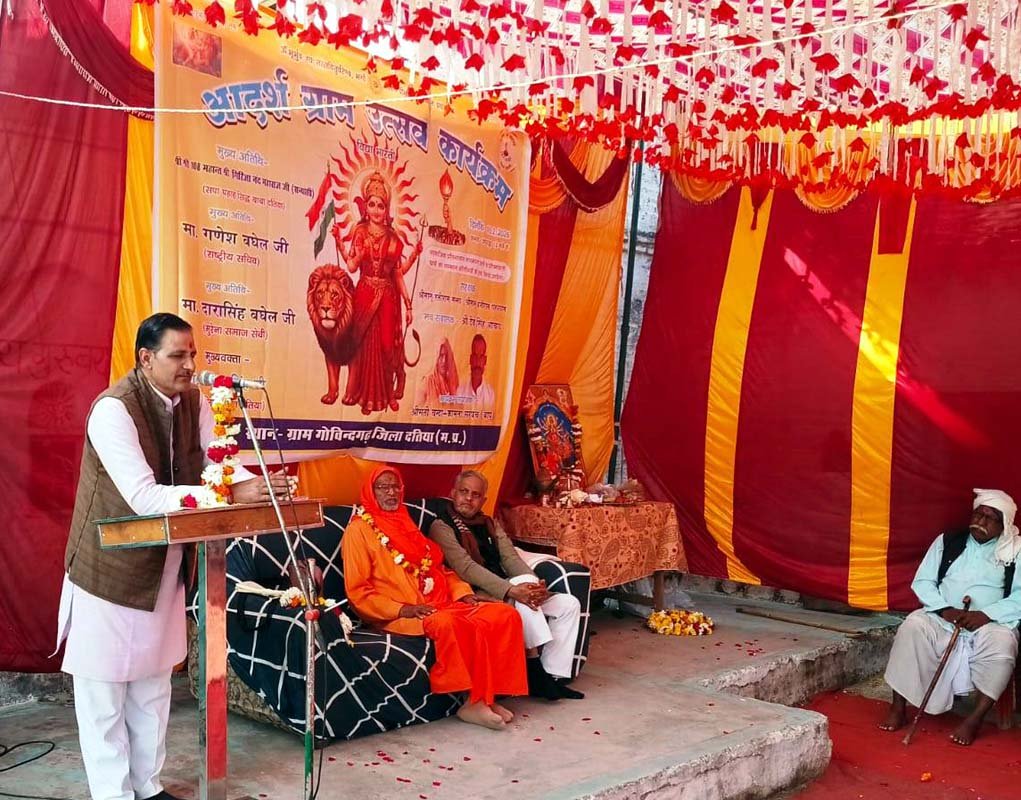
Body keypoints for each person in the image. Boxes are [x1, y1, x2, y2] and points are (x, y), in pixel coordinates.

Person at [55, 313, 291, 800]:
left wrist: (260, 485)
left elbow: (219, 462)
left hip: (164, 568)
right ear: (146, 358)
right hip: (108, 571)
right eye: (177, 355)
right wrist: (229, 493)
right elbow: (144, 497)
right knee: (104, 696)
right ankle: (114, 794)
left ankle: (148, 787)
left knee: (153, 688)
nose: (189, 365)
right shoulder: (113, 411)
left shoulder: (194, 402)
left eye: (193, 354)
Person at [341, 465, 528, 729]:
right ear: (370, 492)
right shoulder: (359, 530)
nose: (391, 493)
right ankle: (473, 702)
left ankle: (487, 696)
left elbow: (439, 569)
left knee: (504, 614)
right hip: (397, 614)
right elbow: (358, 592)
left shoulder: (405, 521)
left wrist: (463, 594)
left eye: (395, 487)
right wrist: (402, 609)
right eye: (383, 487)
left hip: (440, 602)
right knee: (450, 623)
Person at [879, 488, 1021, 745]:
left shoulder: (1016, 550)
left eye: (990, 518)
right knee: (912, 626)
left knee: (1004, 643)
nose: (980, 521)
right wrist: (945, 610)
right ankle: (898, 707)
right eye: (978, 514)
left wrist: (986, 615)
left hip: (989, 624)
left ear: (1004, 525)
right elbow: (923, 581)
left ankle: (974, 719)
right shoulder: (948, 541)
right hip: (943, 617)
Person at [428, 470, 584, 701]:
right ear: (453, 493)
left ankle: (552, 675)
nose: (468, 498)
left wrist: (535, 586)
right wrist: (512, 589)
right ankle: (534, 669)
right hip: (477, 592)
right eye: (463, 492)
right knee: (522, 587)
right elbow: (465, 567)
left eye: (475, 495)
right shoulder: (441, 526)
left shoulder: (489, 523)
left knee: (569, 604)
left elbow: (510, 558)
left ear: (483, 500)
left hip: (510, 587)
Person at [331, 170, 421, 415]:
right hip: (364, 294)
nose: (376, 210)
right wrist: (340, 243)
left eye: (381, 205)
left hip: (388, 299)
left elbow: (398, 273)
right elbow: (351, 267)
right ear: (366, 206)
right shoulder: (360, 232)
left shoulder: (394, 238)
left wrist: (408, 304)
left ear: (387, 208)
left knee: (387, 347)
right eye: (371, 204)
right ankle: (363, 395)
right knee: (362, 346)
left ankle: (388, 394)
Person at [456, 333, 495, 411]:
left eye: (481, 356)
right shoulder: (460, 391)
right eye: (475, 356)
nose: (477, 362)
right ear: (470, 359)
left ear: (485, 360)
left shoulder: (490, 394)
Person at [415, 337, 458, 407]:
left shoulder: (451, 385)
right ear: (436, 357)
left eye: (446, 356)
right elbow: (417, 410)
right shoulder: (426, 382)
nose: (444, 361)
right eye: (441, 356)